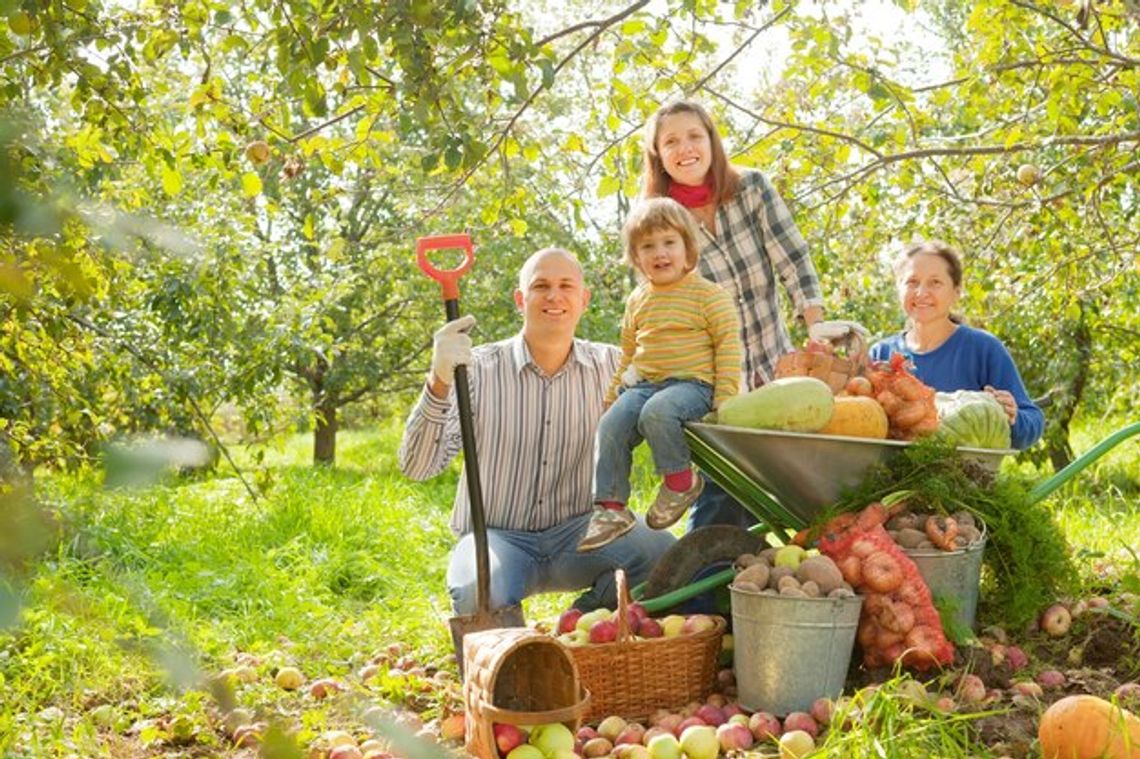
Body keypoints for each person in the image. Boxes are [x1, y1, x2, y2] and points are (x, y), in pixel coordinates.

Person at [398, 247, 676, 614]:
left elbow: (675, 385)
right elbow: (417, 467)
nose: (554, 296)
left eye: (566, 286)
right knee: (475, 592)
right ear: (520, 299)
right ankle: (514, 662)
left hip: (582, 533)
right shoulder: (475, 371)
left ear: (583, 299)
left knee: (663, 556)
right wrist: (438, 379)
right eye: (541, 285)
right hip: (497, 539)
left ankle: (584, 622)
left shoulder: (612, 367)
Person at [640, 99, 838, 529]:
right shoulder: (657, 223)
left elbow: (793, 258)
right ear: (658, 155)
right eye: (671, 141)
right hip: (715, 386)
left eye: (694, 136)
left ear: (711, 140)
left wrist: (815, 324)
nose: (685, 148)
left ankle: (819, 573)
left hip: (775, 368)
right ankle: (706, 587)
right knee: (723, 501)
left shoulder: (751, 188)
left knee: (802, 489)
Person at [577, 198, 743, 552]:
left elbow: (728, 347)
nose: (659, 253)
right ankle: (610, 508)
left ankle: (680, 482)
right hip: (646, 384)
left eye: (669, 242)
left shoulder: (709, 296)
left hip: (694, 386)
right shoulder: (638, 300)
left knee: (658, 412)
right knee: (610, 424)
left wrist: (725, 398)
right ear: (636, 258)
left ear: (688, 249)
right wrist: (612, 394)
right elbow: (629, 354)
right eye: (647, 246)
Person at [869, 240, 1044, 450]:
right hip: (890, 479)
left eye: (935, 282)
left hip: (964, 478)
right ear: (899, 289)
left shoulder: (983, 349)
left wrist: (1013, 417)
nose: (922, 292)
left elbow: (1033, 423)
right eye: (912, 282)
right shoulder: (881, 354)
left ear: (956, 291)